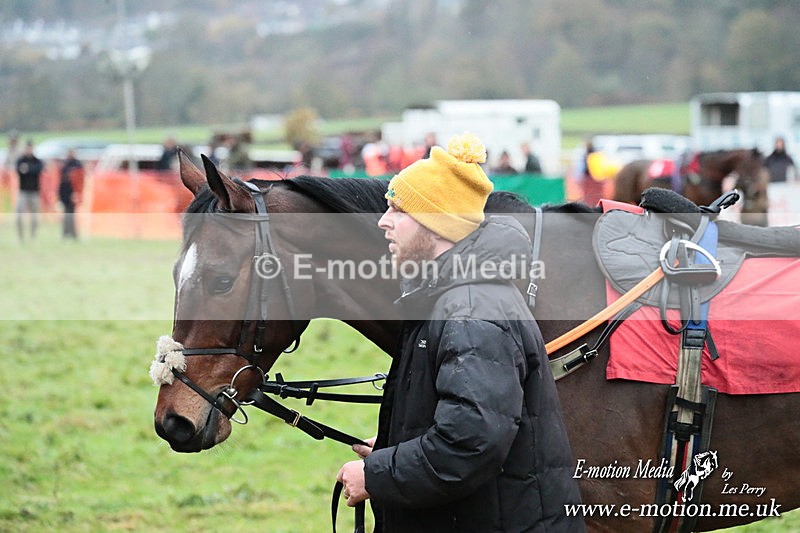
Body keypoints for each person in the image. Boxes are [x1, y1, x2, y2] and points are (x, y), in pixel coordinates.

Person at [337, 133, 584, 532]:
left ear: (437, 225)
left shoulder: (470, 310)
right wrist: (396, 446)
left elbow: (471, 443)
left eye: (398, 209)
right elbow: (461, 420)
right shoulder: (446, 296)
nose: (383, 221)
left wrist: (377, 475)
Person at [15, 140, 44, 242]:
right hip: (23, 191)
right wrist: (29, 170)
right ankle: (21, 237)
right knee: (19, 215)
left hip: (34, 192)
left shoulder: (37, 161)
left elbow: (38, 169)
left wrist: (27, 169)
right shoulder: (21, 160)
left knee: (35, 217)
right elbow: (18, 170)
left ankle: (33, 237)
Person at [58, 148, 85, 239]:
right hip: (65, 193)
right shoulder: (65, 165)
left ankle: (72, 233)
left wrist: (76, 193)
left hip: (73, 193)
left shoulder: (77, 165)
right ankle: (66, 233)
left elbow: (79, 181)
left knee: (71, 214)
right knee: (67, 214)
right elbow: (61, 181)